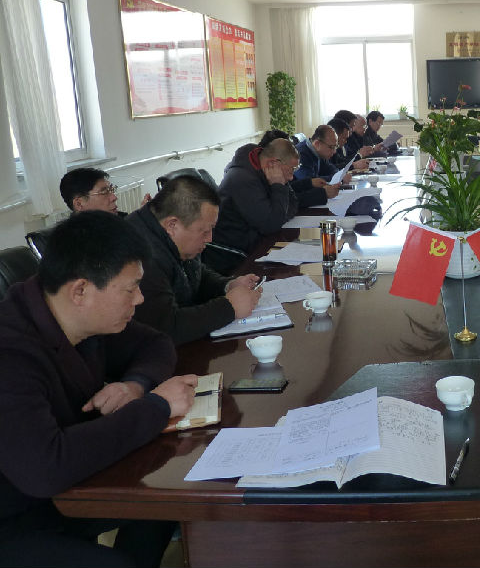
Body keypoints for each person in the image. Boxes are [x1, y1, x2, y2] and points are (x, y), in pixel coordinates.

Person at [0, 211, 197, 567]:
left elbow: (156, 344)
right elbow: (45, 467)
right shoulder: (11, 351)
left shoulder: (81, 319)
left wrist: (135, 385)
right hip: (15, 514)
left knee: (169, 499)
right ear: (80, 290)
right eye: (130, 288)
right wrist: (156, 407)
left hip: (64, 489)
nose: (139, 299)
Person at [126, 175, 262, 345]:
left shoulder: (176, 237)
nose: (210, 239)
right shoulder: (140, 255)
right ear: (172, 225)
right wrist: (229, 307)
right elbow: (165, 328)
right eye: (204, 232)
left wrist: (227, 285)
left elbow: (194, 274)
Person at [205, 137, 304, 274]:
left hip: (257, 243)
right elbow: (271, 224)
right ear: (272, 163)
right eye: (291, 170)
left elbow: (293, 203)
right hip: (234, 256)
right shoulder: (241, 180)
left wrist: (278, 211)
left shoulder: (269, 170)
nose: (291, 177)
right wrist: (278, 186)